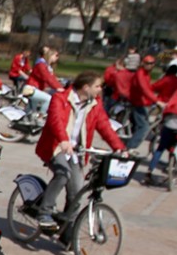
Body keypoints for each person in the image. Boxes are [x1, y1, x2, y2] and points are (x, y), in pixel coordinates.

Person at [35, 70, 126, 230]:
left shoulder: (94, 105)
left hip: (76, 152)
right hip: (56, 147)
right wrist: (63, 140)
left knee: (76, 191)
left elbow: (104, 126)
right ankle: (45, 212)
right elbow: (55, 120)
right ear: (85, 87)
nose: (100, 89)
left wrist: (119, 148)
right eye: (97, 86)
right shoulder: (61, 98)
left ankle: (67, 229)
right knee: (63, 174)